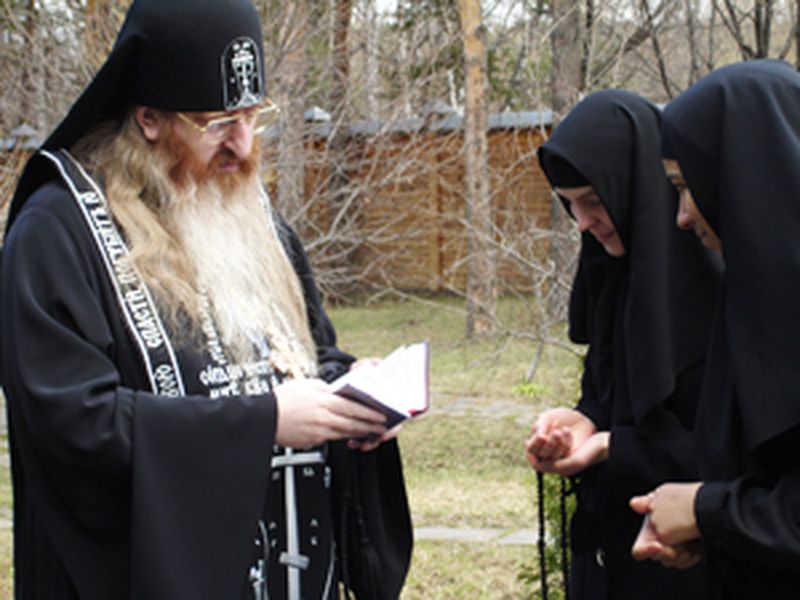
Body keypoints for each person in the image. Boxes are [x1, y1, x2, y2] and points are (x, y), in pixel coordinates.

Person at [1, 1, 412, 598]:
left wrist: (351, 395)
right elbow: (71, 423)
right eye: (217, 122)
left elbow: (306, 354)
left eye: (251, 116)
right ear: (148, 119)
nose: (242, 146)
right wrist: (263, 424)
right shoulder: (58, 233)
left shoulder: (247, 215)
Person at [524, 89, 721, 599]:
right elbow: (610, 396)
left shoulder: (716, 294)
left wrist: (615, 446)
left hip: (691, 566)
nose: (582, 222)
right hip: (611, 553)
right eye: (570, 205)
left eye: (593, 201)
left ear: (635, 188)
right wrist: (582, 422)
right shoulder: (615, 281)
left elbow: (725, 460)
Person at [631, 59, 800, 598]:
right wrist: (704, 533)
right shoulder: (744, 306)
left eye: (688, 187)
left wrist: (706, 512)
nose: (682, 216)